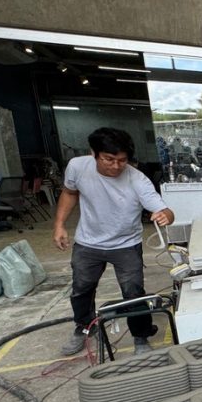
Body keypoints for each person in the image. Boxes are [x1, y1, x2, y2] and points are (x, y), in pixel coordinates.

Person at [53, 127, 174, 356]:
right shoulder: (78, 167)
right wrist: (59, 225)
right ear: (94, 154)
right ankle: (85, 328)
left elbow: (165, 210)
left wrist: (164, 215)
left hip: (126, 245)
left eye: (122, 160)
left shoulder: (137, 179)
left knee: (134, 292)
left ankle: (141, 338)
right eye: (109, 159)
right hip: (88, 243)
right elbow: (70, 192)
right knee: (81, 288)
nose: (116, 166)